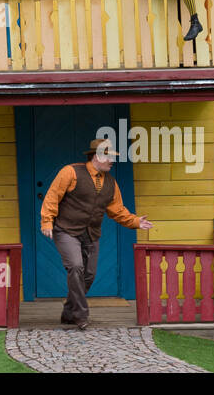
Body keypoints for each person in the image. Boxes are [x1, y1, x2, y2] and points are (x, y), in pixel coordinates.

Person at [40, 139, 154, 330]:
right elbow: (52, 196)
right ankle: (81, 315)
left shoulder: (111, 183)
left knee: (89, 275)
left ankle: (69, 311)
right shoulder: (70, 172)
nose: (112, 161)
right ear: (97, 156)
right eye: (110, 157)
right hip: (66, 230)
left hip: (91, 232)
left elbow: (117, 210)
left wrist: (135, 221)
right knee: (76, 266)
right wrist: (47, 220)